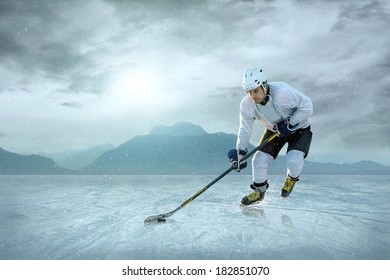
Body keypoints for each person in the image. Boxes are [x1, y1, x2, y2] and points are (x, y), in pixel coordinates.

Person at [228, 67, 313, 205]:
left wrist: (291, 123)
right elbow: (245, 128)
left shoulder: (283, 93)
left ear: (264, 85)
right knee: (259, 160)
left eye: (256, 90)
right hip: (275, 131)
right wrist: (240, 152)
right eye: (249, 92)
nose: (253, 96)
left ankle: (291, 178)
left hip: (299, 128)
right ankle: (259, 192)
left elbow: (307, 106)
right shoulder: (247, 105)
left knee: (293, 159)